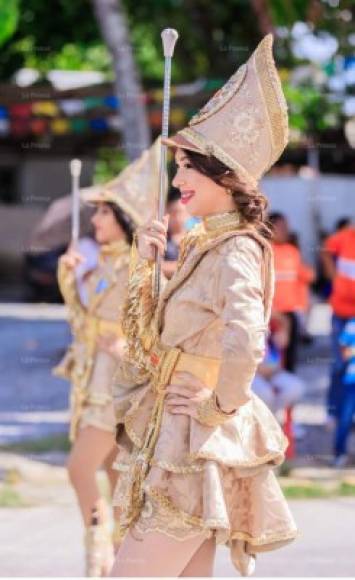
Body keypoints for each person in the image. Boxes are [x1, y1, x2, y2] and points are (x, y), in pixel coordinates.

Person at [110, 34, 297, 578]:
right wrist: (148, 264)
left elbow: (247, 338)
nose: (177, 179)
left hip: (193, 441)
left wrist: (222, 403)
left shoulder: (236, 247)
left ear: (225, 176)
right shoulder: (204, 242)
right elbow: (151, 343)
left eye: (190, 167)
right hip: (172, 434)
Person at [53, 139, 162, 576]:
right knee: (115, 480)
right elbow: (84, 328)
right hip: (93, 376)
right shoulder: (100, 267)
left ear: (121, 220)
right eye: (95, 210)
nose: (95, 218)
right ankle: (122, 565)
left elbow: (152, 322)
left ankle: (100, 561)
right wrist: (67, 279)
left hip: (116, 384)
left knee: (80, 470)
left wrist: (131, 349)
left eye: (103, 211)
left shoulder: (137, 266)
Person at [269, 212, 314, 372]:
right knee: (270, 360)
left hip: (290, 313)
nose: (284, 230)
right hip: (271, 316)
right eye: (280, 227)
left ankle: (288, 392)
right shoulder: (264, 251)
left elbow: (306, 276)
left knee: (290, 360)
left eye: (286, 227)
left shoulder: (292, 251)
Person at [322, 221, 355, 427]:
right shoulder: (345, 237)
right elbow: (325, 251)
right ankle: (333, 412)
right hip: (342, 315)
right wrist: (334, 277)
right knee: (340, 363)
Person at [252, 313, 305, 417]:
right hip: (251, 374)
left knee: (296, 387)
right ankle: (265, 420)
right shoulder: (248, 328)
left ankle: (269, 417)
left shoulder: (275, 328)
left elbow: (286, 320)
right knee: (266, 394)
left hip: (273, 372)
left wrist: (279, 323)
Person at [333, 317, 355, 467]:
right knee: (345, 418)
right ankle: (339, 454)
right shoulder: (352, 324)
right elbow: (345, 352)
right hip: (351, 380)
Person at [162, 189, 190, 279]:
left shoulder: (197, 238)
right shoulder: (161, 239)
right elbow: (156, 267)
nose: (177, 218)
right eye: (173, 213)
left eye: (180, 212)